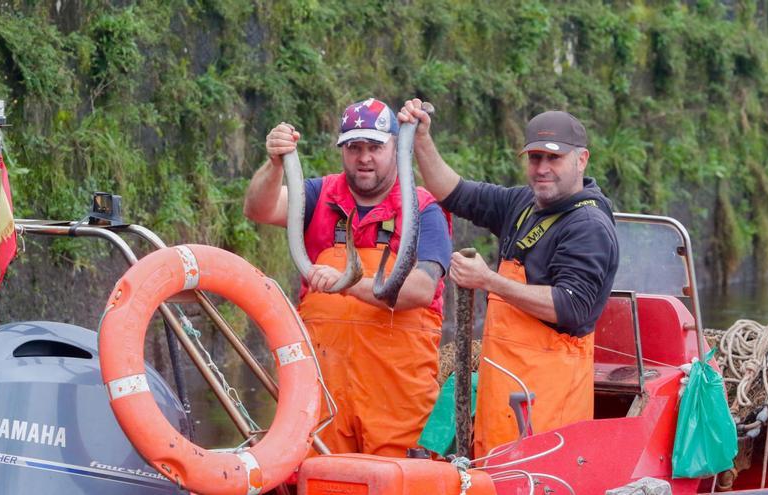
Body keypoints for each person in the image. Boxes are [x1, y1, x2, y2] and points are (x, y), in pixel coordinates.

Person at [399, 99, 619, 456]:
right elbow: (453, 192)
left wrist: (489, 281)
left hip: (548, 408)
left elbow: (573, 307)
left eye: (554, 158)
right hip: (504, 392)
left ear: (582, 160)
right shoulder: (523, 204)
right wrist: (422, 137)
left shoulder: (588, 226)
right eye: (535, 159)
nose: (542, 169)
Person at [243, 98, 453, 457]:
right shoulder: (319, 195)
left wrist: (348, 282)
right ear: (342, 149)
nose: (364, 157)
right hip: (324, 396)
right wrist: (275, 163)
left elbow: (422, 289)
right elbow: (259, 208)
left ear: (395, 147)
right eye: (354, 147)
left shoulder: (424, 209)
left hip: (398, 401)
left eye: (375, 147)